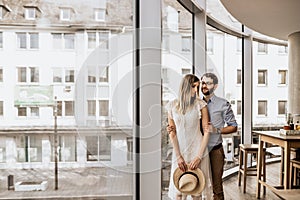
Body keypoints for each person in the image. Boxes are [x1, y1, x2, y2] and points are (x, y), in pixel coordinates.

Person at [166, 74, 212, 200]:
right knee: (179, 191)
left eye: (197, 87)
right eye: (193, 86)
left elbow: (207, 132)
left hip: (198, 150)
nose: (196, 90)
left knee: (196, 191)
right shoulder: (172, 106)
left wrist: (199, 156)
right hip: (179, 152)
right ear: (185, 86)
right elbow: (172, 132)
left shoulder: (201, 105)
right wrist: (178, 156)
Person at [200, 72, 238, 200]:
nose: (204, 86)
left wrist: (216, 129)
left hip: (215, 150)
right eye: (203, 83)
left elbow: (233, 126)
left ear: (215, 86)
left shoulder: (223, 104)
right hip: (198, 151)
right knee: (198, 186)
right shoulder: (195, 103)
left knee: (217, 187)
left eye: (208, 83)